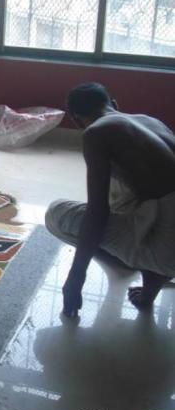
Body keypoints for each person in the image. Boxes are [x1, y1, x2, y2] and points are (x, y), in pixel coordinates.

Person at [45, 82, 175, 317]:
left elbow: (98, 212)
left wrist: (76, 277)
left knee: (56, 213)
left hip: (169, 249)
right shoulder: (150, 121)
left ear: (76, 120)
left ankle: (141, 265)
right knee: (127, 187)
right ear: (114, 104)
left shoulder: (96, 133)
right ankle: (151, 281)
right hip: (168, 224)